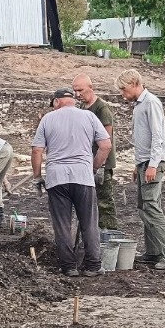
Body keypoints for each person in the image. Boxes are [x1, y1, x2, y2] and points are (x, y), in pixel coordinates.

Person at [32, 88, 112, 277]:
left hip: (57, 178)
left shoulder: (48, 119)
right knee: (89, 222)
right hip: (83, 177)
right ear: (73, 101)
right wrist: (93, 167)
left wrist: (37, 177)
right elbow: (106, 145)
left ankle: (69, 266)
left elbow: (37, 151)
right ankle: (93, 265)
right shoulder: (89, 117)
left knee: (62, 224)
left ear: (57, 102)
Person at [115, 69, 165, 270]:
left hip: (153, 163)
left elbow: (158, 137)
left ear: (134, 83)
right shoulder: (139, 105)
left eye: (124, 89)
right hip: (144, 163)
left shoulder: (151, 103)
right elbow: (144, 138)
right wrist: (138, 164)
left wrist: (152, 164)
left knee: (151, 207)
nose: (122, 94)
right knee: (144, 208)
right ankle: (153, 252)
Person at [72, 74, 117, 230]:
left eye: (80, 90)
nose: (77, 95)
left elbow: (106, 142)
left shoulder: (102, 109)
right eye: (75, 91)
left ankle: (109, 236)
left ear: (91, 88)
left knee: (104, 203)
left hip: (100, 164)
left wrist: (99, 167)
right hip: (87, 162)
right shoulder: (82, 108)